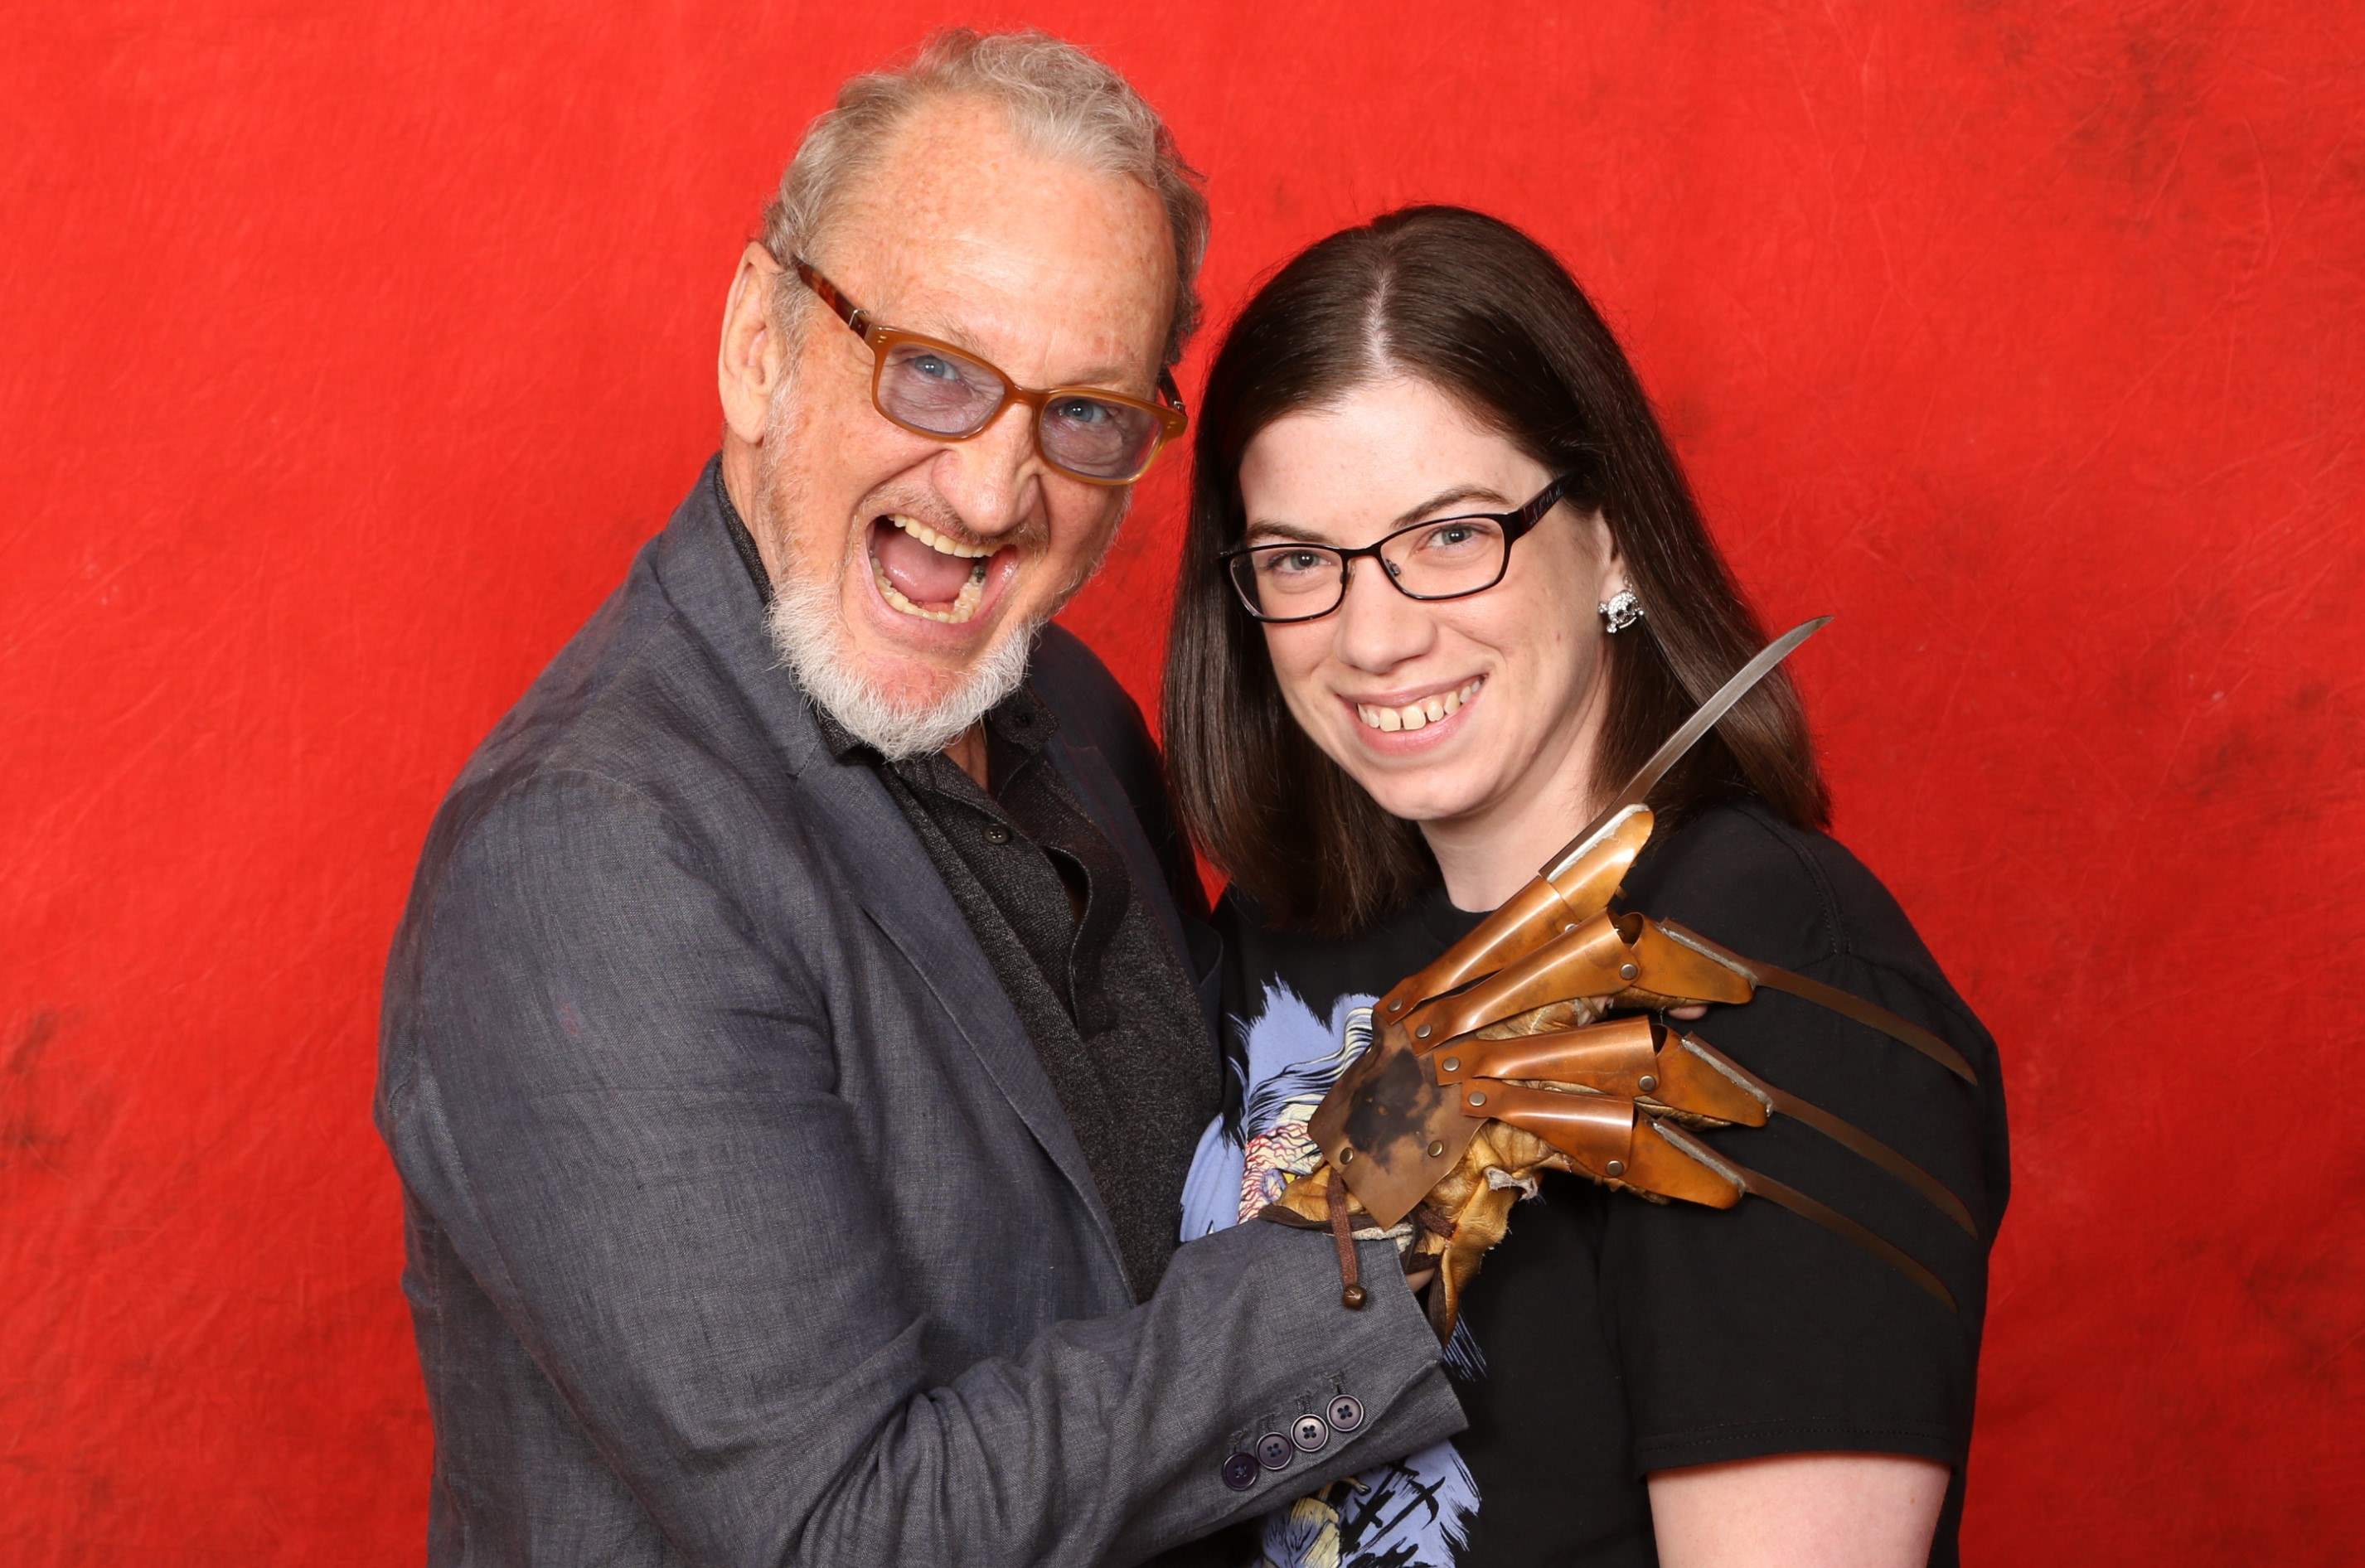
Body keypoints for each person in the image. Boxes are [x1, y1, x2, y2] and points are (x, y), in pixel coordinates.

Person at [373, 34, 1491, 1565]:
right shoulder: (594, 859)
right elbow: (847, 1532)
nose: (987, 494)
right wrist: (1388, 1250)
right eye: (936, 373)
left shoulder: (1068, 712)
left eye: (1086, 413)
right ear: (761, 346)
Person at [1163, 206, 2009, 1567]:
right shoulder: (1285, 932)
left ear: (1608, 536)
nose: (1373, 635)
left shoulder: (1768, 981)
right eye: (1300, 562)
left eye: (1450, 535)